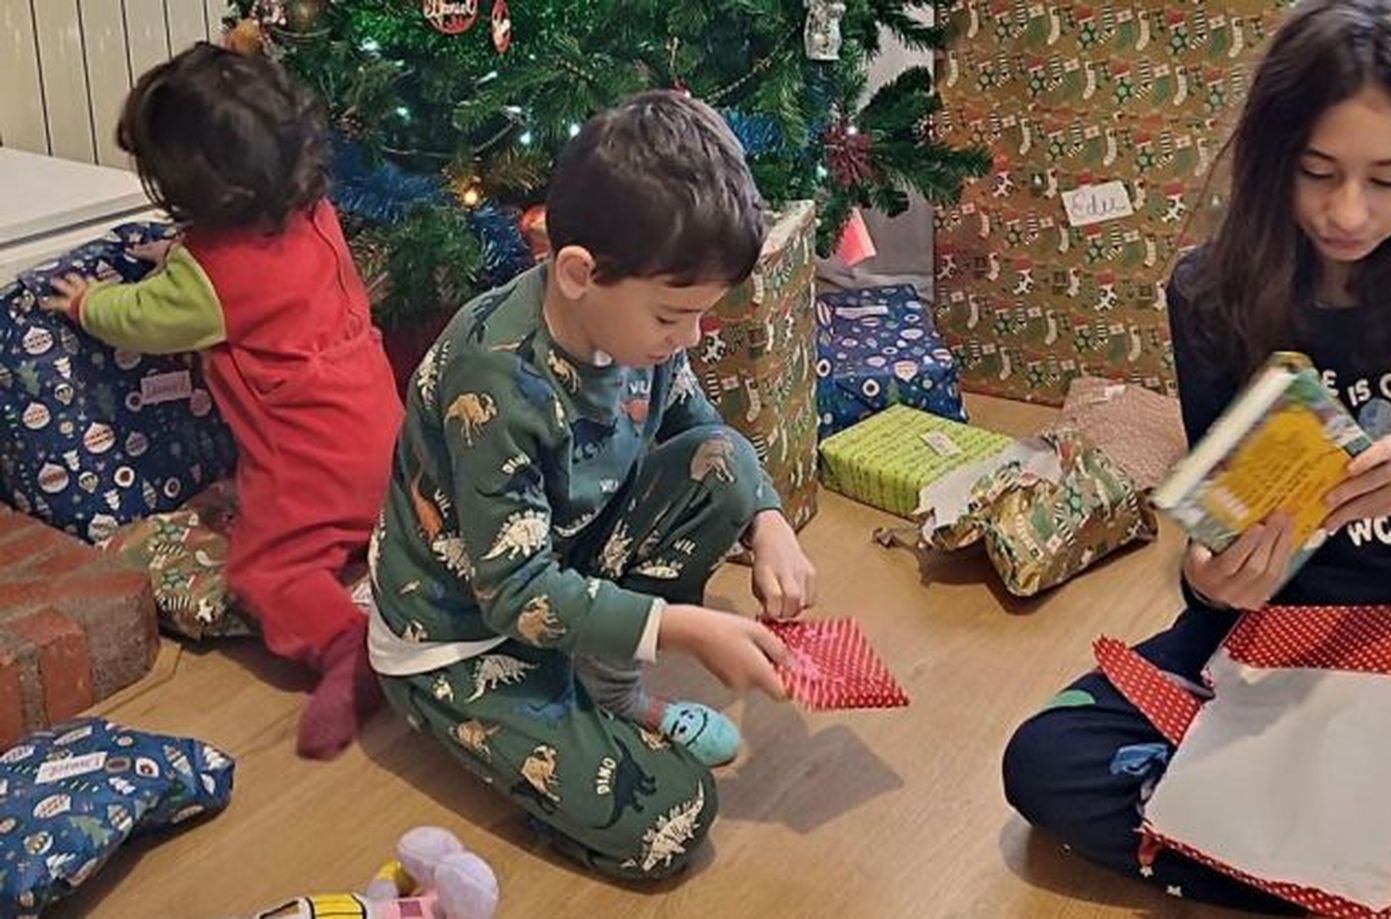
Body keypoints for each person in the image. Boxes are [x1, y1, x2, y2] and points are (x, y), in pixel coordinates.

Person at [1002, 2, 1391, 914]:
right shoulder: (1212, 291)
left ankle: (1289, 847)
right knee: (1047, 762)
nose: (1347, 211)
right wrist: (1209, 580)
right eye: (1316, 172)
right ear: (1272, 155)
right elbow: (1217, 542)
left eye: (1388, 179)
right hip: (1266, 645)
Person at [366, 90, 817, 881]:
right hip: (464, 634)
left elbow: (695, 422)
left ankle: (600, 686)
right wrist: (680, 627)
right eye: (672, 316)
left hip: (557, 563)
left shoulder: (633, 326)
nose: (689, 336)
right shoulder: (496, 377)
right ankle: (561, 708)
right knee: (672, 818)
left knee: (726, 465)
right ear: (578, 272)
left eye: (699, 314)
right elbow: (515, 595)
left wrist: (768, 521)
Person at [47, 43, 403, 760]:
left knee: (268, 571)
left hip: (310, 466)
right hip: (385, 435)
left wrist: (88, 303)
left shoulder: (208, 280)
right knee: (365, 521)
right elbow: (240, 280)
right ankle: (381, 553)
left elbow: (142, 317)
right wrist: (184, 258)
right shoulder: (317, 214)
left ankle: (345, 645)